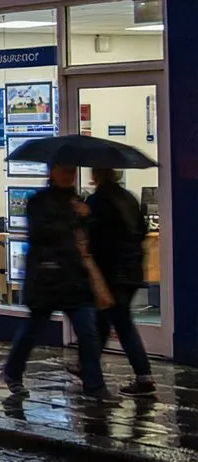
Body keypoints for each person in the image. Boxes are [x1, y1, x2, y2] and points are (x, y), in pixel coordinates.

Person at [1, 162, 112, 401]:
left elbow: (86, 237)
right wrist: (74, 218)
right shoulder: (39, 202)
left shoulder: (77, 201)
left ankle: (94, 386)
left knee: (88, 333)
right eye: (64, 170)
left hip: (74, 278)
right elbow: (42, 235)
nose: (69, 175)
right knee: (33, 331)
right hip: (46, 277)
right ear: (51, 172)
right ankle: (12, 372)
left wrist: (87, 218)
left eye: (72, 171)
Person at [86, 167, 156, 396]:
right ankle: (88, 365)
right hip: (132, 270)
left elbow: (97, 239)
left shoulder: (98, 201)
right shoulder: (128, 198)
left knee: (121, 323)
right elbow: (142, 230)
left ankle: (144, 377)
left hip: (112, 273)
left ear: (97, 175)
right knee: (104, 321)